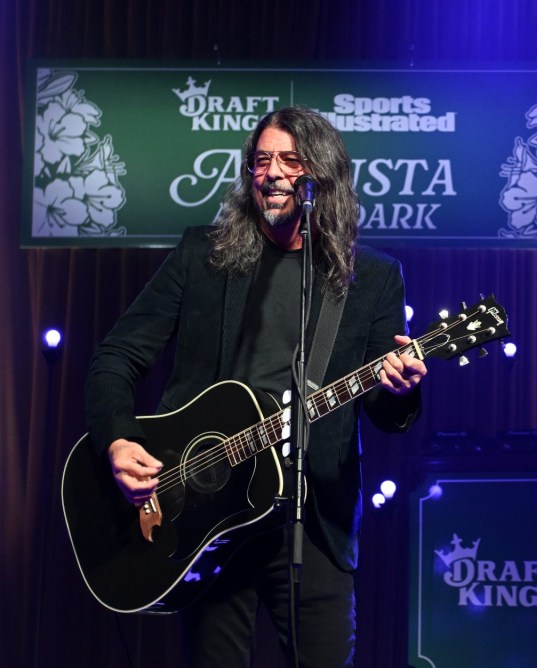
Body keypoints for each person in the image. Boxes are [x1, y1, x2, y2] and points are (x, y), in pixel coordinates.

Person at [84, 106, 426, 667]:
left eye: (290, 161)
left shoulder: (373, 278)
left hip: (313, 515)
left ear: (325, 175)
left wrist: (399, 388)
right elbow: (115, 357)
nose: (271, 172)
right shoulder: (204, 256)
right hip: (207, 510)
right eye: (261, 160)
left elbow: (385, 415)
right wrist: (118, 440)